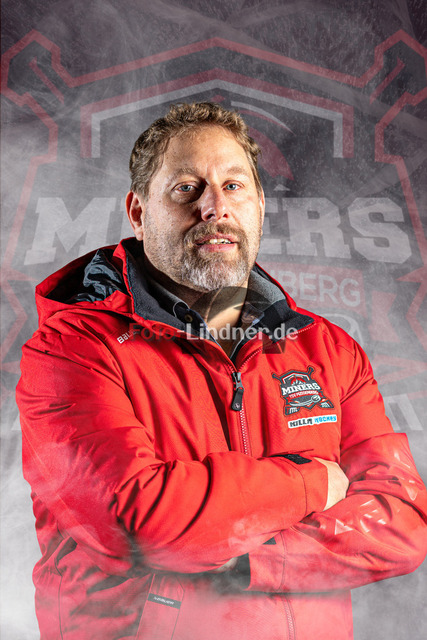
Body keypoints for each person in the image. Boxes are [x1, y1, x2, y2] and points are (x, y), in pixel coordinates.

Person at [17, 102, 427, 640]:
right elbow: (138, 523)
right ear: (138, 212)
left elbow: (403, 522)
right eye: (186, 188)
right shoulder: (71, 349)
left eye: (234, 186)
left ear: (259, 206)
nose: (214, 207)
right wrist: (313, 482)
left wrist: (246, 558)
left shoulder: (327, 349)